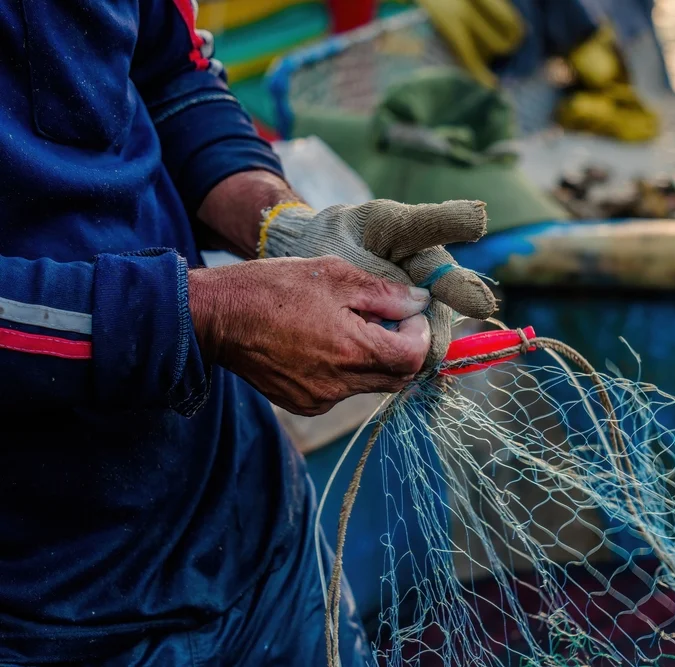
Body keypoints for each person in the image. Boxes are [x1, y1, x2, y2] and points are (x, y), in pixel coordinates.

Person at [0, 1, 494, 664]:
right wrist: (202, 316)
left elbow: (173, 73)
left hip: (248, 515)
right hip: (39, 613)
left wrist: (282, 225)